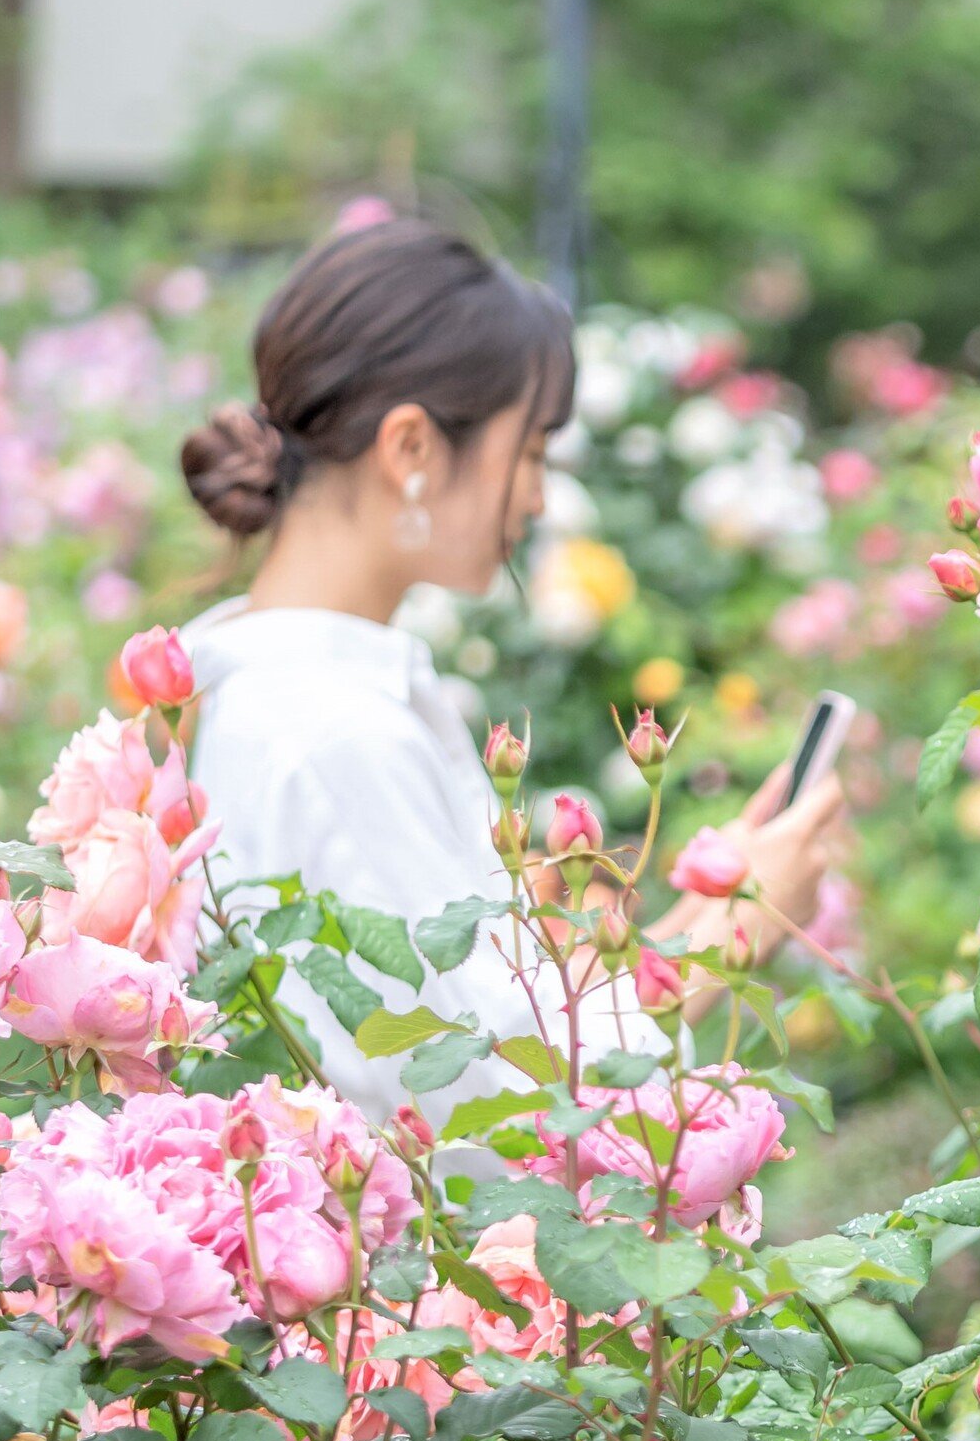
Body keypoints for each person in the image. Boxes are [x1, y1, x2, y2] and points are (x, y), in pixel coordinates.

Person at [175, 218, 845, 1125]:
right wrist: (739, 934)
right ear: (411, 449)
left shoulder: (298, 692)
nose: (536, 494)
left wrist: (695, 927)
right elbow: (485, 1107)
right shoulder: (333, 730)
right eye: (528, 451)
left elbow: (484, 1022)